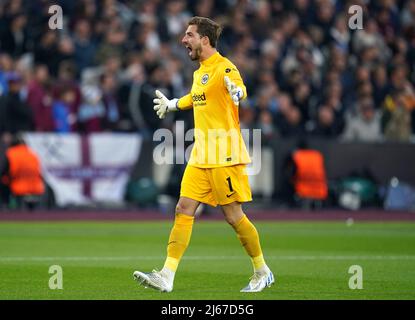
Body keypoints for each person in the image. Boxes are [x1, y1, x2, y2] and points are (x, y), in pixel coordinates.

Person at [133, 17, 274, 293]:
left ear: (204, 40)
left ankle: (262, 271)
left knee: (233, 216)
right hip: (201, 153)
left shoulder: (224, 67)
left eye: (189, 35)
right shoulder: (200, 73)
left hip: (225, 154)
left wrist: (237, 92)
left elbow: (239, 89)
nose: (184, 40)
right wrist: (173, 104)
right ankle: (167, 275)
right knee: (183, 208)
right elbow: (197, 98)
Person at [0, 133, 45, 209]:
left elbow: (5, 171)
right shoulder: (33, 154)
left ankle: (5, 207)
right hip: (36, 187)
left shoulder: (11, 153)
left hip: (19, 187)